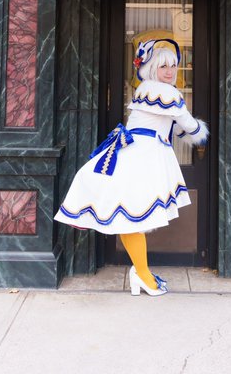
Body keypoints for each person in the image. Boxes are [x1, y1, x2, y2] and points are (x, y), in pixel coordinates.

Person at [54, 38, 208, 296]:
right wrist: (199, 131)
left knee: (129, 216)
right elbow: (189, 126)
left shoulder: (145, 89)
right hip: (144, 156)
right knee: (132, 216)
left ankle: (140, 272)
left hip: (132, 151)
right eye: (163, 66)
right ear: (151, 68)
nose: (170, 71)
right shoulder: (167, 93)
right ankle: (142, 274)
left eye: (173, 66)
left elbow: (170, 122)